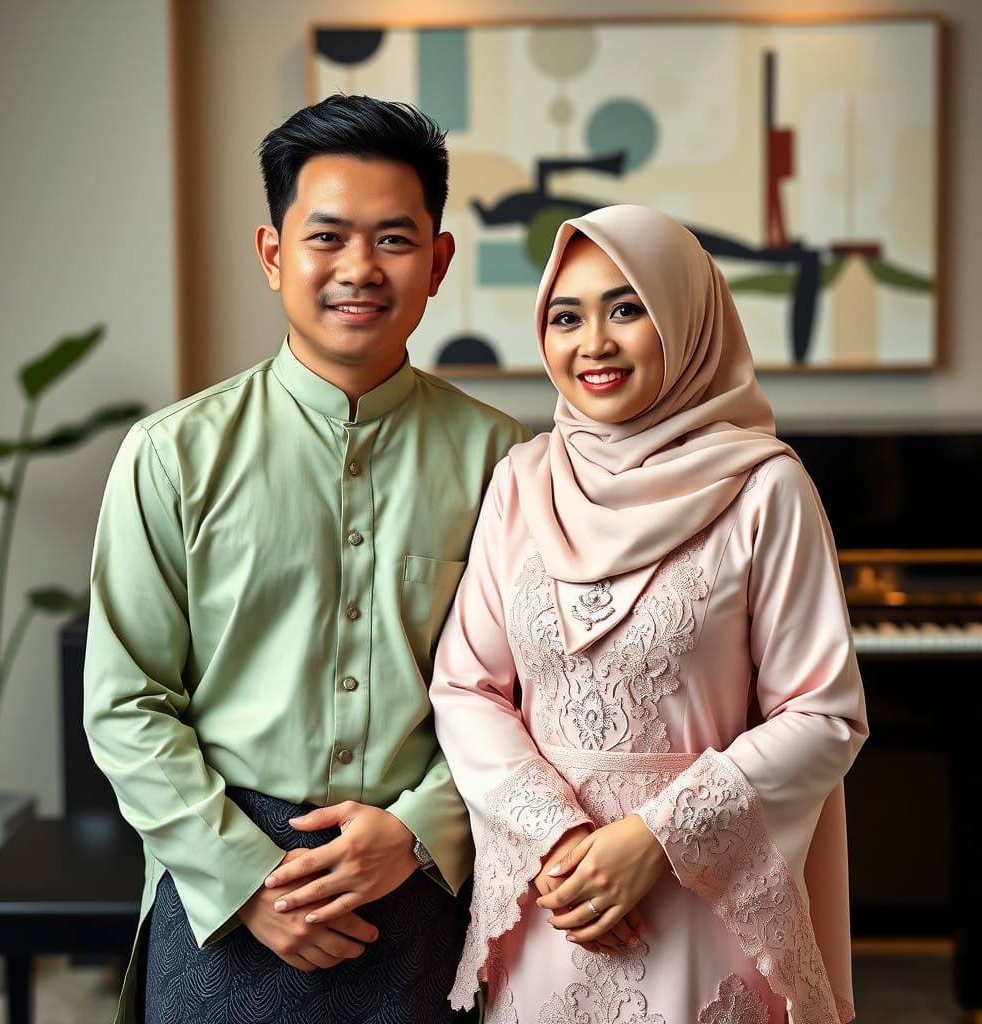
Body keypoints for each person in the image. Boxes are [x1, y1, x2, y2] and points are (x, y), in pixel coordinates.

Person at [83, 94, 529, 1024]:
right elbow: (126, 703)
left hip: (426, 891)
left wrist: (416, 831)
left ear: (439, 261)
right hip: (223, 889)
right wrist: (246, 878)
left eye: (395, 240)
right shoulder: (171, 455)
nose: (359, 269)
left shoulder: (507, 464)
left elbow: (535, 692)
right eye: (326, 237)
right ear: (272, 253)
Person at [429, 205, 868, 1024]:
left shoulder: (766, 488)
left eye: (626, 308)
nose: (592, 341)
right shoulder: (522, 481)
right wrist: (559, 839)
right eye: (567, 316)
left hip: (701, 899)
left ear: (685, 318)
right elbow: (465, 687)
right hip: (553, 903)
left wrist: (653, 840)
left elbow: (823, 714)